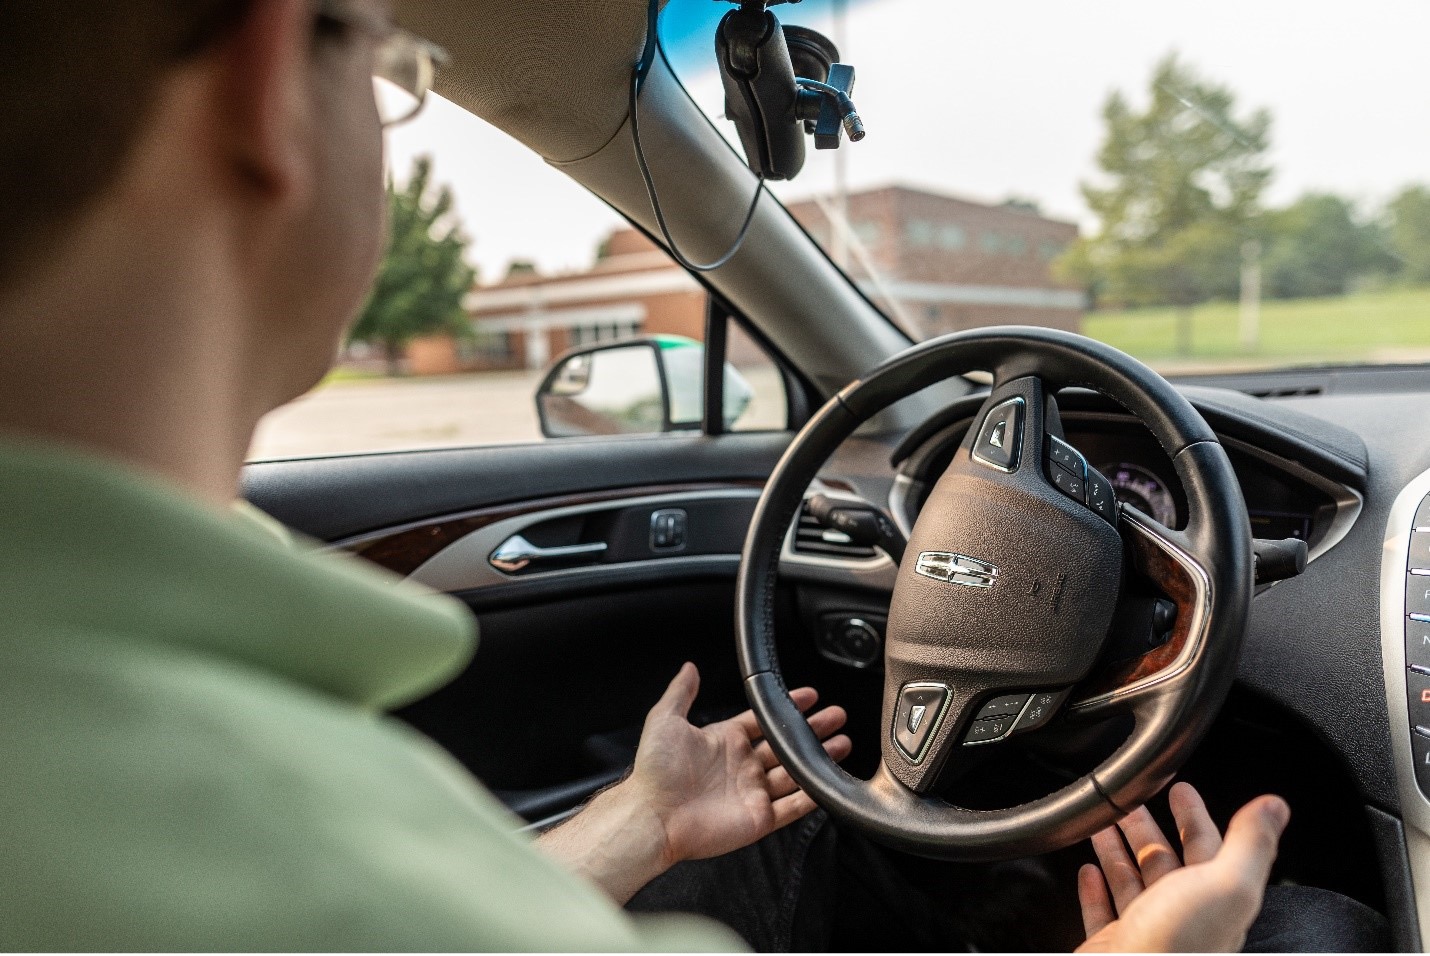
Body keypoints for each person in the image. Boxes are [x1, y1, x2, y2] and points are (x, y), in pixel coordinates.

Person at [0, 0, 1380, 950]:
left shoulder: (140, 783)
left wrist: (638, 824)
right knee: (1315, 930)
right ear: (264, 83)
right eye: (385, 73)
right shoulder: (290, 826)